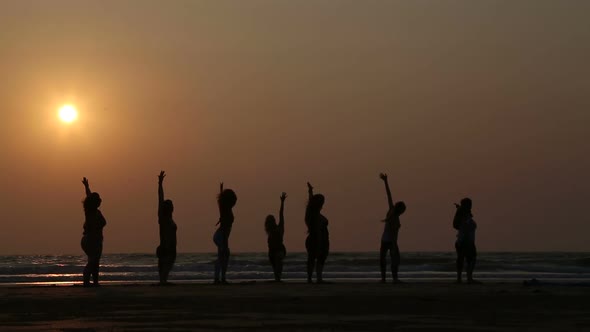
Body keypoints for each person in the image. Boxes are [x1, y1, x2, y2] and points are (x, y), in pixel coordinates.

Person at [378, 173, 406, 284]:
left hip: (384, 240)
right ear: (401, 211)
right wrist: (394, 246)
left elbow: (389, 195)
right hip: (391, 241)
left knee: (383, 259)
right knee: (395, 259)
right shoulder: (395, 218)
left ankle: (384, 278)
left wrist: (385, 181)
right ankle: (394, 278)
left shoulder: (390, 211)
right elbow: (394, 235)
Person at [80, 177, 107, 287]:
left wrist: (87, 186)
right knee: (93, 262)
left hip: (93, 240)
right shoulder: (90, 212)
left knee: (95, 262)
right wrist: (86, 188)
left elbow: (89, 196)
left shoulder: (94, 211)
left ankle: (95, 282)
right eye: (98, 199)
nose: (100, 200)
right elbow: (89, 197)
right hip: (92, 240)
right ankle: (86, 281)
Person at [305, 182, 329, 284]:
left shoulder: (311, 214)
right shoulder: (315, 217)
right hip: (318, 239)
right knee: (318, 258)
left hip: (314, 239)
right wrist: (319, 244)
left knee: (312, 258)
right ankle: (318, 278)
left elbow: (310, 202)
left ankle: (311, 278)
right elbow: (318, 232)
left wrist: (310, 191)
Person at [213, 182, 237, 284]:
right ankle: (219, 278)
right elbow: (225, 230)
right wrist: (225, 243)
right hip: (220, 236)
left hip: (221, 235)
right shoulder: (225, 211)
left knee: (223, 256)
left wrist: (221, 190)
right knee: (223, 255)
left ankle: (221, 278)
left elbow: (220, 202)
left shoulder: (226, 209)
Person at [156, 171, 177, 285]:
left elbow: (161, 200)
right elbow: (160, 198)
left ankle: (162, 282)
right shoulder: (163, 219)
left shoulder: (168, 219)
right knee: (165, 269)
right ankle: (162, 283)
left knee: (165, 270)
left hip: (169, 248)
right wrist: (160, 184)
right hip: (166, 248)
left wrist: (160, 183)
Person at [453, 197, 478, 284]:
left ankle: (467, 278)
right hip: (464, 241)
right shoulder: (462, 215)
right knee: (466, 259)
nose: (471, 206)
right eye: (469, 204)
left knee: (470, 259)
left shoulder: (465, 213)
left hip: (468, 240)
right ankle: (464, 278)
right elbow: (459, 226)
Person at [265, 192, 287, 282]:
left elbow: (281, 214)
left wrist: (282, 202)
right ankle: (277, 279)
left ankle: (278, 278)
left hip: (279, 250)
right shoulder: (269, 231)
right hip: (272, 251)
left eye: (271, 220)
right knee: (275, 265)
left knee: (278, 262)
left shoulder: (279, 228)